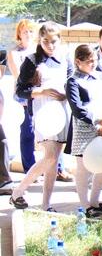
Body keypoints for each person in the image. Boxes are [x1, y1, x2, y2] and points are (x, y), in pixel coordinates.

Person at [10, 22, 72, 211]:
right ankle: (18, 192)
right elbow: (20, 91)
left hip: (62, 111)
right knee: (50, 156)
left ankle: (46, 205)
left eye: (54, 41)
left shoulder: (65, 58)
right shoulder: (32, 60)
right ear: (40, 40)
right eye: (46, 41)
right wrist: (41, 91)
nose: (50, 45)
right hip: (43, 112)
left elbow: (72, 84)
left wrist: (67, 95)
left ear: (60, 40)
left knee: (54, 159)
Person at [65, 45, 102, 218]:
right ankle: (85, 205)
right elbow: (77, 108)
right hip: (84, 126)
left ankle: (95, 201)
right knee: (83, 167)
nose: (93, 64)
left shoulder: (101, 76)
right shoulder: (73, 81)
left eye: (95, 60)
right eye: (89, 61)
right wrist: (98, 121)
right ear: (78, 61)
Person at [6, 19, 37, 172]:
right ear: (19, 34)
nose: (28, 34)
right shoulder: (14, 52)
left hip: (42, 95)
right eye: (25, 32)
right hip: (24, 97)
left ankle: (58, 168)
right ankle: (30, 168)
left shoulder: (40, 50)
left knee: (51, 134)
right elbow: (19, 76)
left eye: (31, 31)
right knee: (27, 132)